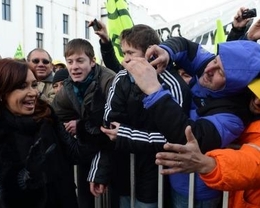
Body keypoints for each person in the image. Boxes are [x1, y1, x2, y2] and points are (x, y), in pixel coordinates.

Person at [101, 37, 260, 207]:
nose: (209, 68)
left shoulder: (233, 116)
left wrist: (154, 91)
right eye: (215, 59)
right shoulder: (209, 65)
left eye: (220, 72)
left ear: (238, 86)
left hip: (198, 192)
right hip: (173, 180)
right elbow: (186, 46)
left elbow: (188, 137)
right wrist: (165, 51)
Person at [0, 58, 101, 208]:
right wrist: (26, 178)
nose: (33, 92)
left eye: (34, 85)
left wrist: (88, 125)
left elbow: (76, 153)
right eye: (22, 86)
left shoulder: (46, 117)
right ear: (1, 93)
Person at [89, 24, 191, 208]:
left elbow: (177, 137)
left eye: (131, 53)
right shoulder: (121, 79)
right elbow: (109, 128)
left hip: (157, 174)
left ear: (151, 53)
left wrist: (126, 135)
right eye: (123, 53)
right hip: (123, 171)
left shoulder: (173, 84)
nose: (124, 60)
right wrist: (99, 171)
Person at [154, 77, 260, 208]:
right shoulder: (241, 104)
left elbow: (253, 162)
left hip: (204, 190)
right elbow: (199, 61)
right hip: (226, 192)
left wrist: (210, 165)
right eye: (256, 92)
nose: (257, 101)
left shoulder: (235, 117)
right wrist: (169, 55)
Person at [52, 38, 115, 208]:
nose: (74, 67)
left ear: (92, 62)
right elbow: (53, 114)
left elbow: (109, 125)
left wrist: (79, 125)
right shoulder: (68, 88)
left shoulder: (109, 82)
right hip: (88, 149)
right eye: (70, 62)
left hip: (114, 151)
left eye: (80, 61)